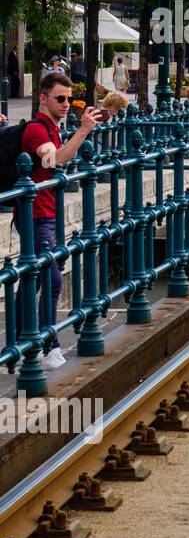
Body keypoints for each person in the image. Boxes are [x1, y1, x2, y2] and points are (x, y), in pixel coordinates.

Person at [22, 72, 107, 369]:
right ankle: (48, 345)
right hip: (37, 215)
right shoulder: (36, 131)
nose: (66, 104)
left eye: (69, 99)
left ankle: (26, 339)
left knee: (35, 277)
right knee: (51, 277)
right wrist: (83, 131)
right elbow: (53, 161)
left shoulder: (53, 129)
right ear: (43, 98)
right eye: (60, 98)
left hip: (49, 214)